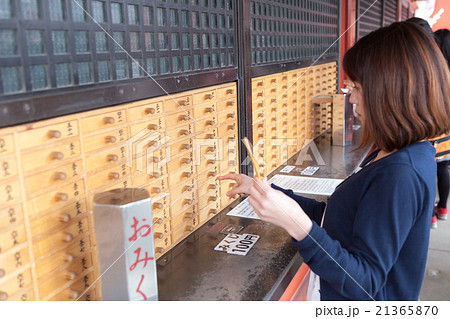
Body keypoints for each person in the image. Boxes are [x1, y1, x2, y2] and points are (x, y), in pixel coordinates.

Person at [218, 22, 450, 300]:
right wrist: (268, 192)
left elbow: (365, 282)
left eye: (357, 87)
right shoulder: (406, 152)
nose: (350, 97)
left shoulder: (400, 174)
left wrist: (298, 227)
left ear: (389, 93)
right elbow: (339, 220)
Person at [432, 28, 450, 225]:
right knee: (443, 167)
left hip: (431, 129)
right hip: (447, 128)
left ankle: (430, 216)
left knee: (429, 168)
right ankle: (443, 207)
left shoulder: (434, 68)